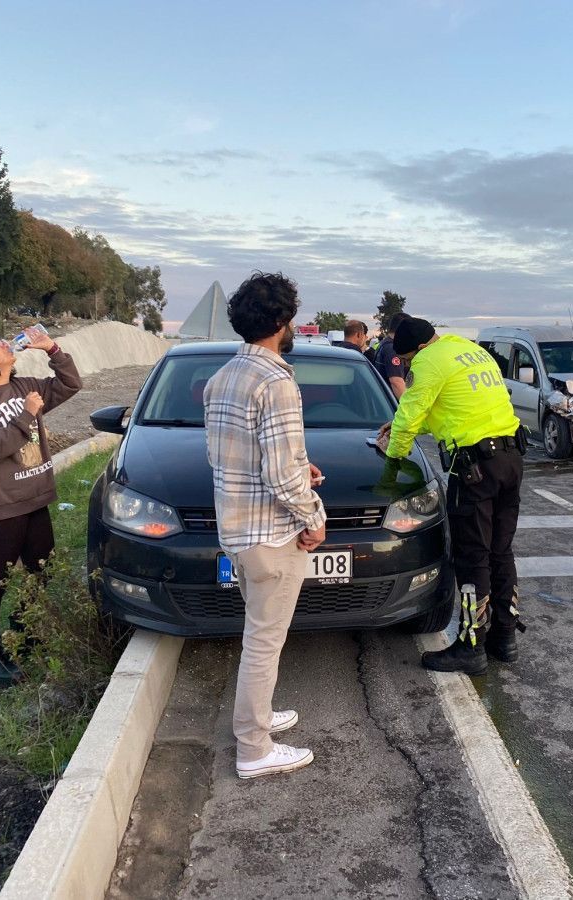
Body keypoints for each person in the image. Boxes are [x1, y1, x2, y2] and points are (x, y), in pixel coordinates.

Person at [203, 272, 326, 779]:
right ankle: (254, 748)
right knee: (264, 641)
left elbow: (232, 455)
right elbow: (279, 475)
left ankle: (258, 715)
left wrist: (300, 465)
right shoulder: (275, 381)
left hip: (238, 531)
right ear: (281, 322)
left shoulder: (222, 378)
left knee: (258, 634)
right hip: (272, 536)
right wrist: (313, 517)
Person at [376, 316, 524, 675]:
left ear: (417, 350)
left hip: (475, 469)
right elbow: (453, 410)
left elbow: (410, 413)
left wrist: (392, 459)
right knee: (500, 551)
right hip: (510, 460)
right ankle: (504, 638)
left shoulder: (428, 360)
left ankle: (471, 647)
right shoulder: (467, 350)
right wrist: (406, 427)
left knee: (472, 557)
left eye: (407, 360)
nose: (407, 366)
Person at [0, 325, 81, 686]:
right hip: (1, 504)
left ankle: (22, 633)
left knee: (42, 569)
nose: (1, 342)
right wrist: (26, 415)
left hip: (34, 496)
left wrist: (52, 349)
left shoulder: (25, 386)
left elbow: (71, 384)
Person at [373, 312, 408, 398]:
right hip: (390, 401)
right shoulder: (393, 349)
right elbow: (396, 382)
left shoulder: (383, 343)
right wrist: (409, 405)